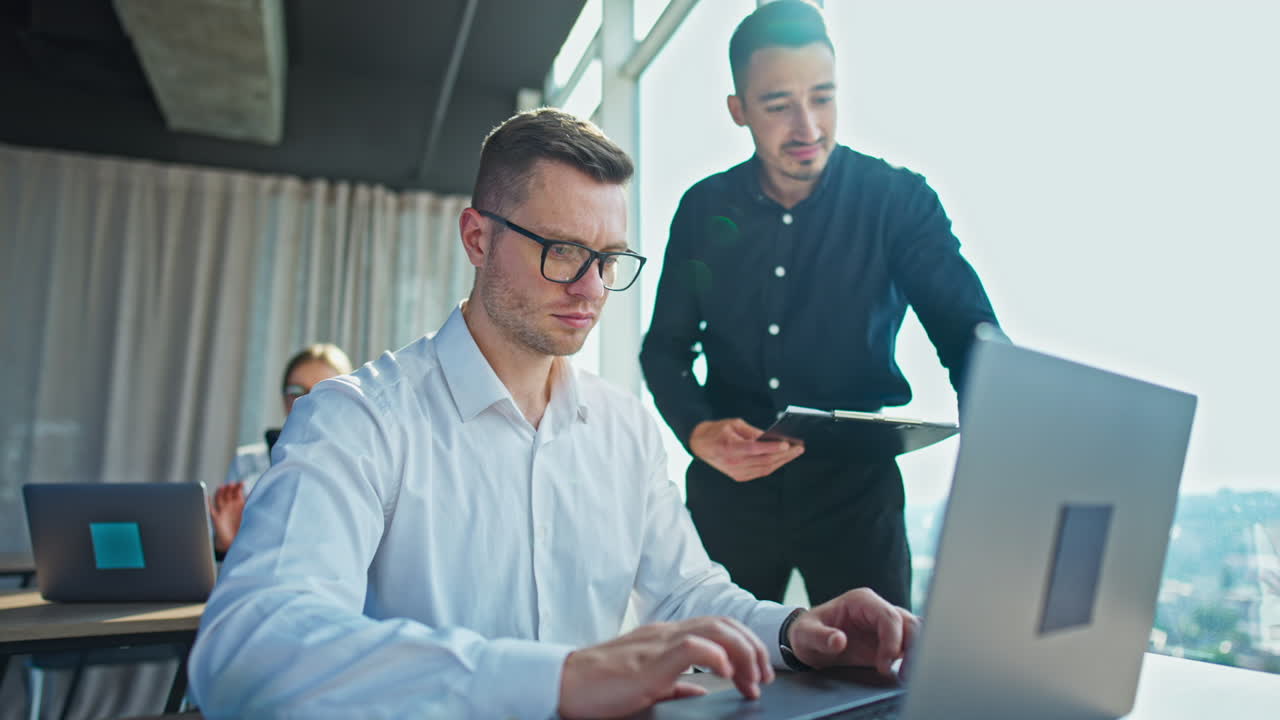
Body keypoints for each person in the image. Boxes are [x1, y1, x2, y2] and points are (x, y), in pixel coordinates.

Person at [188, 108, 918, 719]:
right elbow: (247, 649)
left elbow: (687, 592)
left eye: (610, 258)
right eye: (564, 251)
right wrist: (557, 679)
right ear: (478, 238)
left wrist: (798, 630)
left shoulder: (625, 428)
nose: (592, 288)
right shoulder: (358, 420)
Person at [640, 1, 1002, 609]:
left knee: (875, 678)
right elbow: (666, 349)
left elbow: (969, 336)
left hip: (856, 499)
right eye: (779, 105)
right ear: (739, 110)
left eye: (823, 97)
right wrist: (698, 431)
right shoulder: (703, 209)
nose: (807, 126)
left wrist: (1005, 431)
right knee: (709, 679)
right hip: (730, 495)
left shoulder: (899, 201)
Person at [209, 343, 352, 555]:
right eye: (296, 391)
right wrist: (227, 544)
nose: (305, 400)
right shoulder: (247, 462)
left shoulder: (358, 466)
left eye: (322, 390)